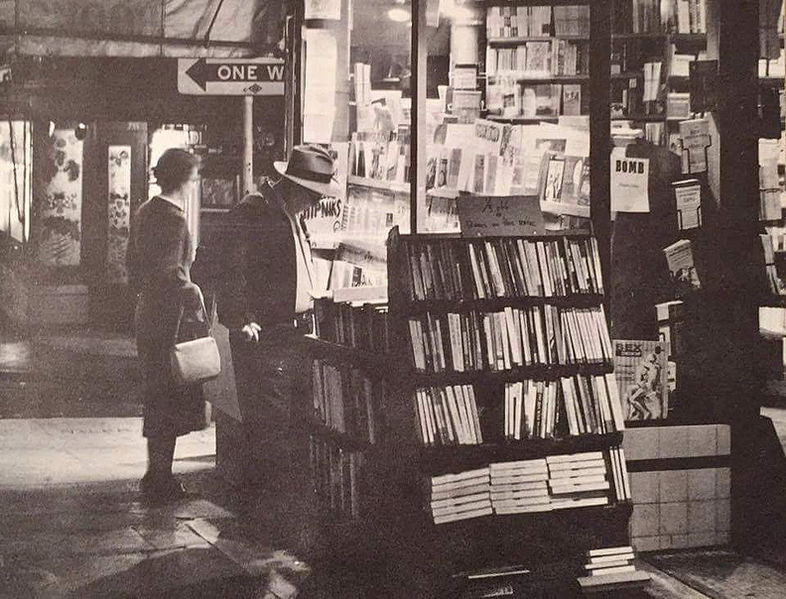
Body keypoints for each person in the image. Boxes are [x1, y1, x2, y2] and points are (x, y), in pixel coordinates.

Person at [216, 145, 340, 489]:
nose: (317, 203)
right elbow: (226, 267)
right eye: (314, 195)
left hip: (293, 335)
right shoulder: (254, 212)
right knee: (270, 428)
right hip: (267, 337)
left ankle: (275, 506)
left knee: (287, 425)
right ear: (295, 187)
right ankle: (265, 512)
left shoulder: (290, 214)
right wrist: (239, 318)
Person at [127, 148, 208, 502]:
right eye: (192, 179)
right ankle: (160, 477)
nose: (194, 185)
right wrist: (194, 290)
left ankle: (156, 472)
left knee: (156, 394)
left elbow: (134, 262)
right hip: (169, 318)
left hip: (148, 313)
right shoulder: (173, 218)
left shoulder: (146, 210)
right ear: (182, 180)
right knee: (170, 394)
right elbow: (170, 271)